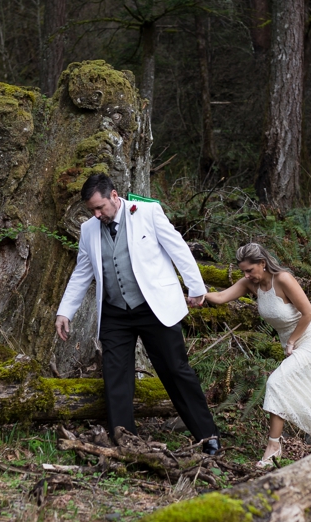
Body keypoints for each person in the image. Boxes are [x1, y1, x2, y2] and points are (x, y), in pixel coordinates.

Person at [54, 173, 222, 455]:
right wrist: (65, 311)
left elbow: (178, 248)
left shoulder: (148, 212)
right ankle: (124, 439)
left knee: (175, 370)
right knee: (115, 375)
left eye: (100, 207)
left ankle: (208, 435)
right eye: (91, 210)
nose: (97, 214)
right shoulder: (88, 230)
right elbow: (82, 272)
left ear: (114, 196)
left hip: (154, 308)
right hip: (115, 313)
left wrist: (196, 287)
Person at [195, 243, 311, 468]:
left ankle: (274, 446)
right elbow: (220, 296)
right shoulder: (250, 284)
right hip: (295, 343)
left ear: (263, 263)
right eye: (243, 271)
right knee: (307, 393)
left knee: (276, 382)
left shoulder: (283, 279)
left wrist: (291, 340)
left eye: (250, 270)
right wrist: (197, 294)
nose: (247, 275)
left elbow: (308, 313)